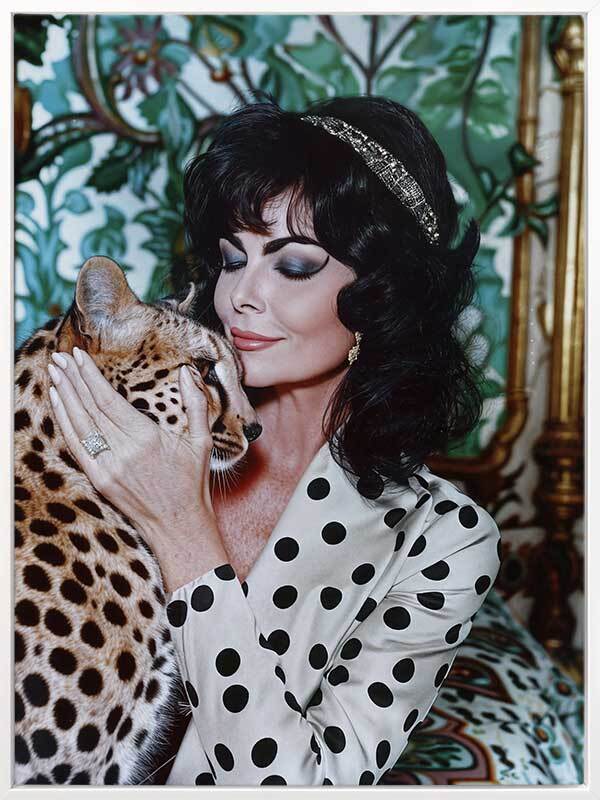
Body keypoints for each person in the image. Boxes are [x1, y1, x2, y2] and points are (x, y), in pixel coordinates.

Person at [47, 95, 502, 786]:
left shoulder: (441, 540)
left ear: (381, 299)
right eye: (233, 259)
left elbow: (300, 785)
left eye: (292, 267)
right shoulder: (122, 426)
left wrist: (181, 530)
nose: (240, 296)